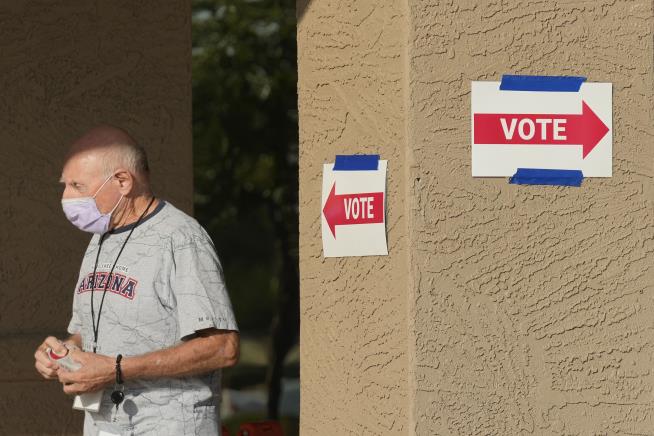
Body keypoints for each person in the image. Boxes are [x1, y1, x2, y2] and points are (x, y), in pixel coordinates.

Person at [33, 125, 239, 435]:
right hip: (104, 424)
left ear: (123, 181)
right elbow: (85, 334)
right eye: (65, 185)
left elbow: (223, 347)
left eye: (77, 185)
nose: (67, 198)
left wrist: (115, 369)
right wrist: (62, 352)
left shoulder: (181, 238)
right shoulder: (100, 238)